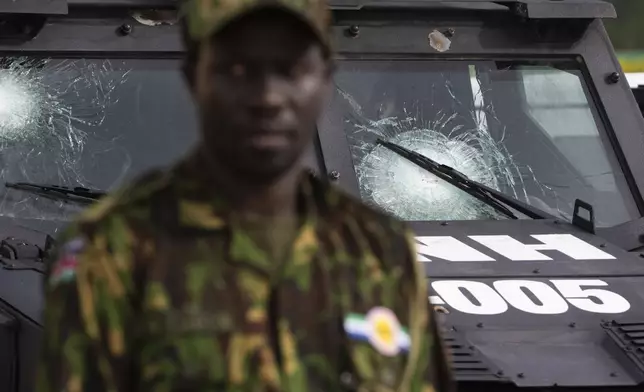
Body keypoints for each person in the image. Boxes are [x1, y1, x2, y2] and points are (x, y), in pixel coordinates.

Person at [35, 0, 454, 391]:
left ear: (326, 80)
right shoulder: (109, 253)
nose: (268, 97)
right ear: (193, 77)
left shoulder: (382, 253)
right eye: (236, 69)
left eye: (291, 69)